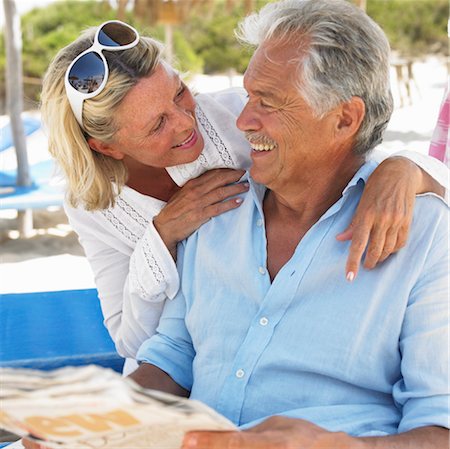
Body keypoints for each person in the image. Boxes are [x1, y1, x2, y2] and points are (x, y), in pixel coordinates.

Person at [39, 17, 448, 379]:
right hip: (175, 361)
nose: (186, 123)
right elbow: (132, 341)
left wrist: (406, 167)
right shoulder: (92, 206)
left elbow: (347, 148)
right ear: (108, 147)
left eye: (180, 93)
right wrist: (161, 237)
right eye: (157, 124)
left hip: (272, 337)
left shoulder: (236, 114)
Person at [120, 0, 447, 448]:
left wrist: (340, 446)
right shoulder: (215, 207)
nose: (242, 120)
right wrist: (97, 420)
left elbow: (440, 426)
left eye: (267, 102)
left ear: (345, 119)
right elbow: (174, 356)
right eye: (248, 95)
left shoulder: (427, 236)